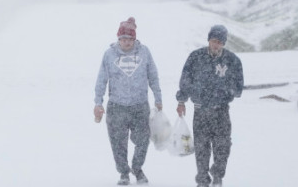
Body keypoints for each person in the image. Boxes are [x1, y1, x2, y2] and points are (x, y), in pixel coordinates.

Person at [94, 17, 163, 185]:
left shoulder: (144, 52)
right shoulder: (109, 54)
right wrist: (98, 102)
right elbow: (101, 79)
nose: (126, 42)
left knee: (143, 139)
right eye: (123, 39)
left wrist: (158, 97)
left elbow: (152, 75)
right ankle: (124, 172)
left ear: (134, 39)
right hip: (117, 106)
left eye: (130, 39)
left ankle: (137, 168)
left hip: (140, 106)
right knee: (118, 142)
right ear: (118, 39)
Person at [175, 25, 244, 187]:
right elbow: (185, 81)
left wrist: (225, 88)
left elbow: (239, 88)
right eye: (213, 40)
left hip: (221, 111)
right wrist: (181, 101)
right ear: (209, 40)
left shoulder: (232, 60)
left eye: (220, 42)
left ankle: (218, 175)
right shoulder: (195, 57)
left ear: (224, 43)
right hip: (200, 110)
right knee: (202, 147)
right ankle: (202, 180)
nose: (216, 44)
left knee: (223, 146)